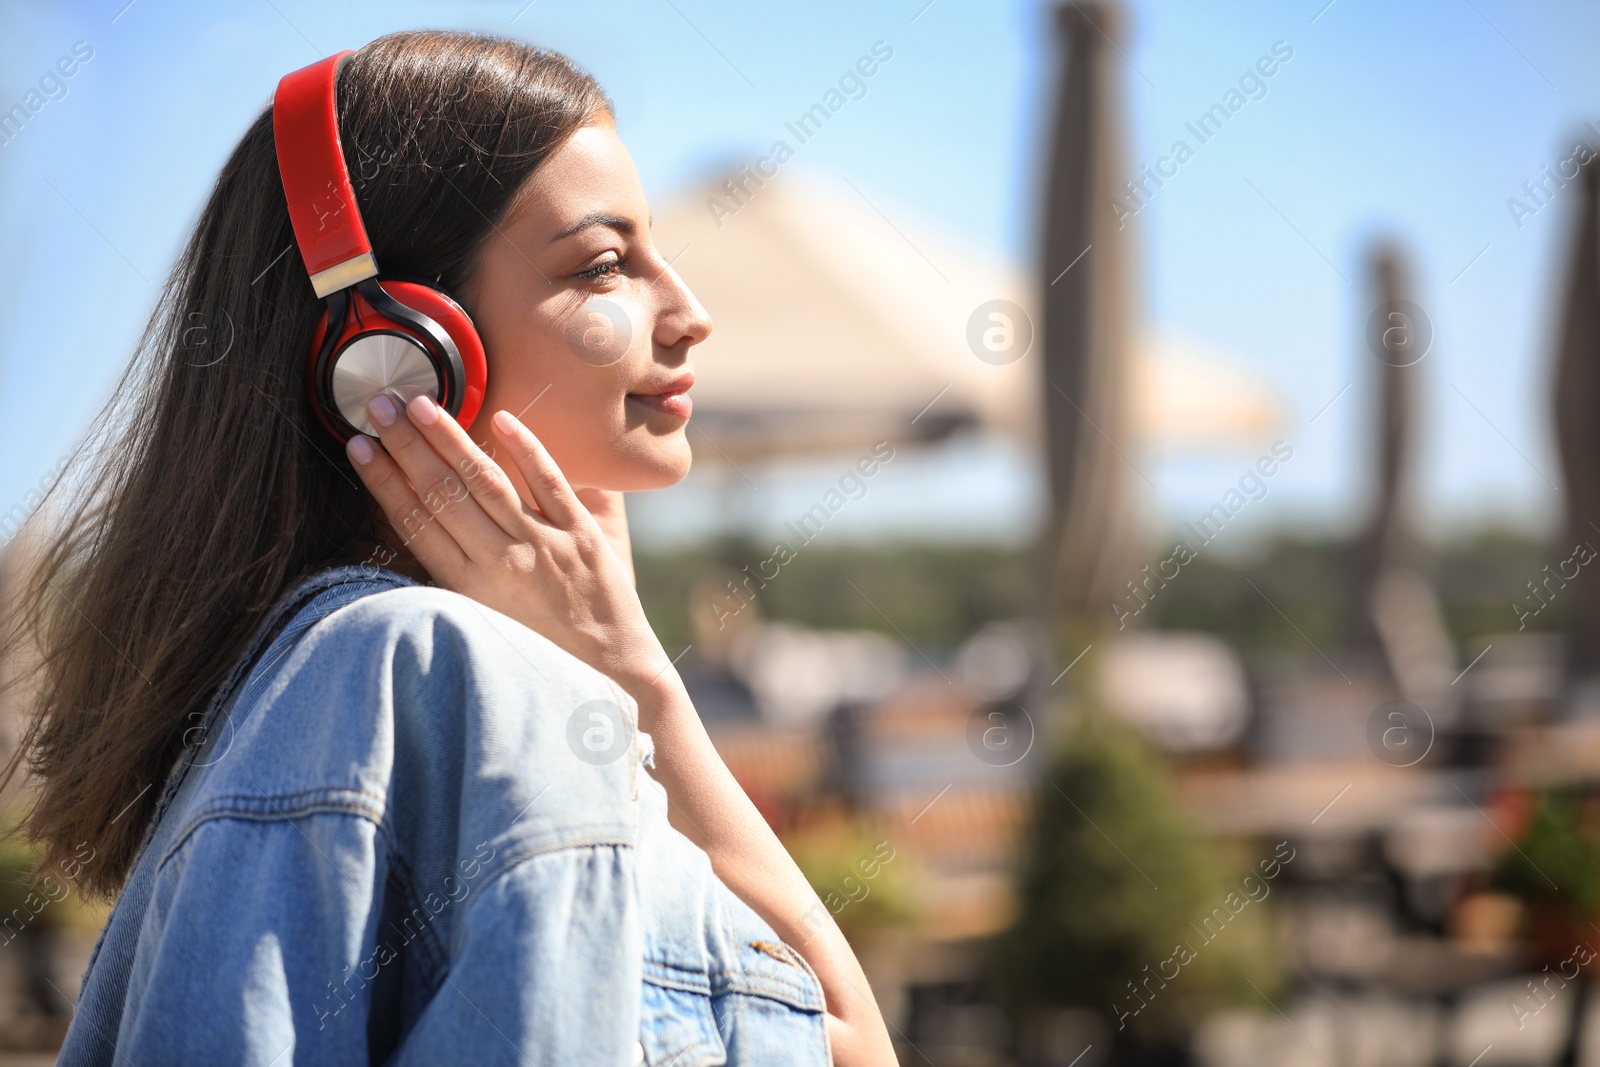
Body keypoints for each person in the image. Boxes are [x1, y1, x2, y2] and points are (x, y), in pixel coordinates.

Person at [4, 29, 896, 1065]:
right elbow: (857, 1047)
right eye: (606, 264)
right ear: (394, 356)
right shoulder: (446, 676)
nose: (689, 313)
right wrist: (634, 677)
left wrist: (620, 663)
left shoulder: (345, 678)